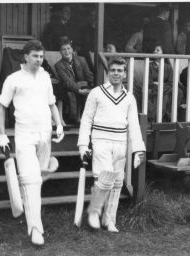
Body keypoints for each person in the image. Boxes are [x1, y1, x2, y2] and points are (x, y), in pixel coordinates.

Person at [0, 40, 64, 246]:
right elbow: (1, 108)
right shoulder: (13, 79)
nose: (39, 60)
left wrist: (59, 124)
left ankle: (31, 200)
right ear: (25, 56)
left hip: (45, 134)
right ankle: (35, 229)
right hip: (24, 134)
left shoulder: (45, 77)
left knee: (37, 179)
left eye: (41, 56)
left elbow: (52, 104)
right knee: (31, 179)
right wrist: (2, 134)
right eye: (35, 56)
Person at [78, 57, 145, 232]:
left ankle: (109, 220)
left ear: (125, 73)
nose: (116, 73)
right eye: (113, 70)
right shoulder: (96, 93)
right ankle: (94, 211)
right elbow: (86, 120)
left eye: (119, 70)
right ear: (108, 72)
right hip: (100, 140)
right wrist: (83, 145)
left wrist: (138, 150)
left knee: (116, 182)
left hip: (120, 142)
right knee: (105, 177)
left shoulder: (129, 98)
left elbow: (134, 125)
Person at [143, 42, 184, 122]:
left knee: (177, 91)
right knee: (165, 94)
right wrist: (158, 85)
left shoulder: (168, 67)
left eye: (158, 50)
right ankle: (163, 118)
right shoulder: (149, 66)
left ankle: (163, 117)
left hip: (165, 88)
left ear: (163, 53)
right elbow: (148, 81)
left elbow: (171, 82)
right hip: (155, 88)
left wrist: (160, 85)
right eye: (154, 50)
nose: (155, 51)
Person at [55, 38, 94, 123]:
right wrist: (79, 90)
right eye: (63, 49)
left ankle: (85, 119)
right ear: (60, 52)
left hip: (84, 85)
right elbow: (67, 81)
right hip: (70, 87)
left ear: (72, 50)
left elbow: (88, 76)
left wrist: (93, 87)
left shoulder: (82, 60)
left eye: (68, 48)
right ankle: (74, 118)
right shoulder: (59, 65)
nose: (66, 51)